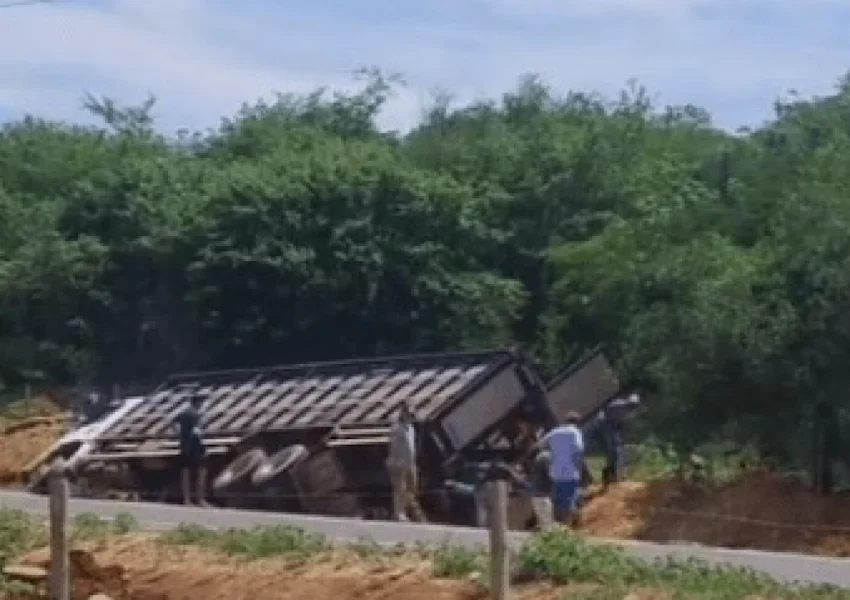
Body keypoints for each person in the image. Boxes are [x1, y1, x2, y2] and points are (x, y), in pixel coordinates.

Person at [534, 411, 585, 527]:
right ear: (577, 423)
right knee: (568, 503)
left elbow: (539, 445)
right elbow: (579, 449)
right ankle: (574, 525)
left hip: (556, 474)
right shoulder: (575, 432)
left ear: (565, 421)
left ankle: (561, 529)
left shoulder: (555, 432)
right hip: (570, 474)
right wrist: (578, 466)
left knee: (557, 504)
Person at [386, 403, 425, 521]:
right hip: (398, 462)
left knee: (412, 488)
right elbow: (394, 447)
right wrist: (398, 462)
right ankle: (399, 513)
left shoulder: (411, 429)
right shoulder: (397, 428)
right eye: (408, 414)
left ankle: (409, 510)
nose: (410, 417)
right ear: (403, 413)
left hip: (410, 462)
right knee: (400, 489)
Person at [174, 394, 208, 507]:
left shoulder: (184, 413)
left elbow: (174, 422)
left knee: (186, 473)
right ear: (197, 402)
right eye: (201, 402)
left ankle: (187, 499)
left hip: (185, 446)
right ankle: (200, 499)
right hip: (194, 446)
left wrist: (179, 435)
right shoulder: (194, 415)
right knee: (200, 472)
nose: (202, 404)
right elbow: (197, 432)